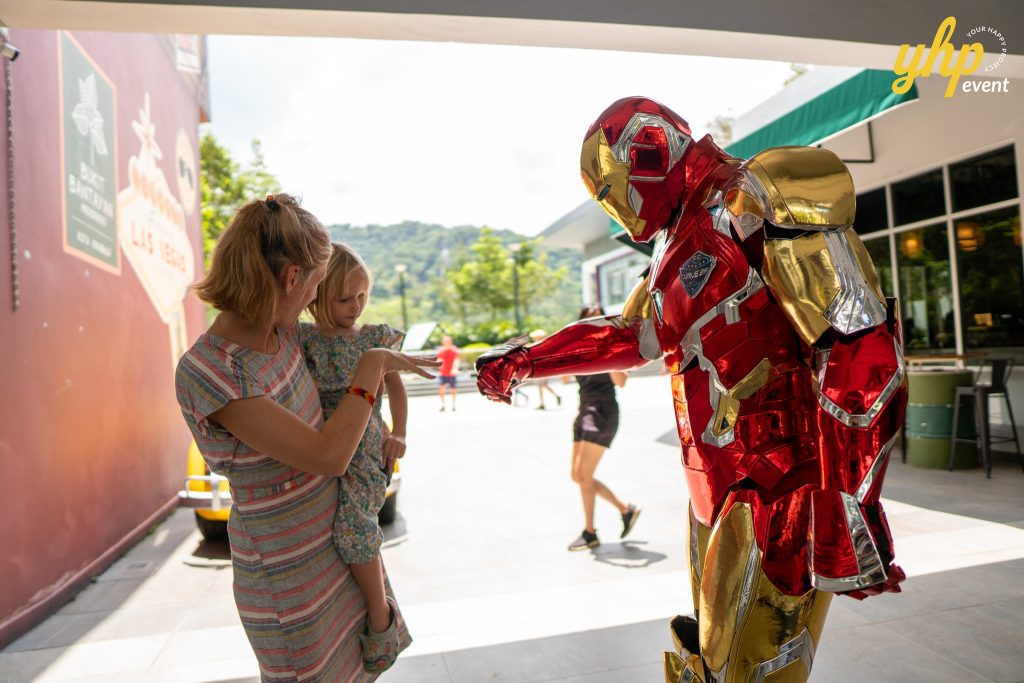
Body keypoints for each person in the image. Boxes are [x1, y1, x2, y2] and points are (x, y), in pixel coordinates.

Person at [476, 98, 906, 682]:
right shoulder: (675, 241)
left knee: (756, 668)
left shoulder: (760, 194)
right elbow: (636, 335)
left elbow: (861, 342)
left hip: (783, 480)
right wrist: (529, 358)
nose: (618, 212)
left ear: (650, 152)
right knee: (709, 660)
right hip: (713, 481)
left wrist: (847, 498)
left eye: (613, 191)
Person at [175, 194, 438, 682]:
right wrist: (373, 364)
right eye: (316, 286)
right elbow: (328, 455)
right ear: (293, 279)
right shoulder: (212, 371)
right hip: (289, 572)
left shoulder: (287, 334)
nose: (315, 303)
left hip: (339, 544)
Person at [300, 242, 409, 673]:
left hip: (365, 445)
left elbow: (396, 388)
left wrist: (399, 432)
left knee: (353, 527)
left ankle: (380, 616)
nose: (357, 306)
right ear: (317, 297)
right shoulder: (303, 337)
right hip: (318, 442)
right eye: (345, 298)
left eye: (362, 295)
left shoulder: (373, 338)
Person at [564, 307, 640, 551]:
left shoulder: (611, 346)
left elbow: (622, 382)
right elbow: (566, 377)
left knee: (584, 475)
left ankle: (590, 532)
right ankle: (625, 510)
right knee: (577, 476)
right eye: (590, 317)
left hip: (603, 412)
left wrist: (608, 354)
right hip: (584, 411)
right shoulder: (579, 347)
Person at [529, 329, 562, 410]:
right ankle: (551, 398)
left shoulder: (541, 345)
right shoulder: (542, 344)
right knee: (543, 386)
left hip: (542, 368)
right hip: (541, 368)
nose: (535, 339)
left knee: (542, 386)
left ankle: (543, 403)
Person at [436, 335, 461, 411]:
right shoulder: (441, 350)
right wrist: (439, 366)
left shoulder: (455, 350)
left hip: (452, 373)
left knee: (453, 389)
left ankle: (453, 404)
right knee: (441, 388)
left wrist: (455, 369)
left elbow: (457, 360)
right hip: (443, 373)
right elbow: (439, 360)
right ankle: (443, 404)